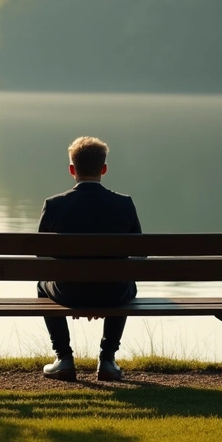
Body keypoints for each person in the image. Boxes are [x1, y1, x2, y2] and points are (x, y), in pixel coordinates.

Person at [37, 136, 141, 381]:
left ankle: (63, 357)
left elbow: (41, 256)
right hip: (113, 293)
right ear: (104, 169)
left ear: (72, 170)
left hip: (68, 293)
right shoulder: (124, 204)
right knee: (127, 283)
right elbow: (139, 252)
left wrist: (74, 290)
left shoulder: (53, 206)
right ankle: (107, 359)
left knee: (42, 285)